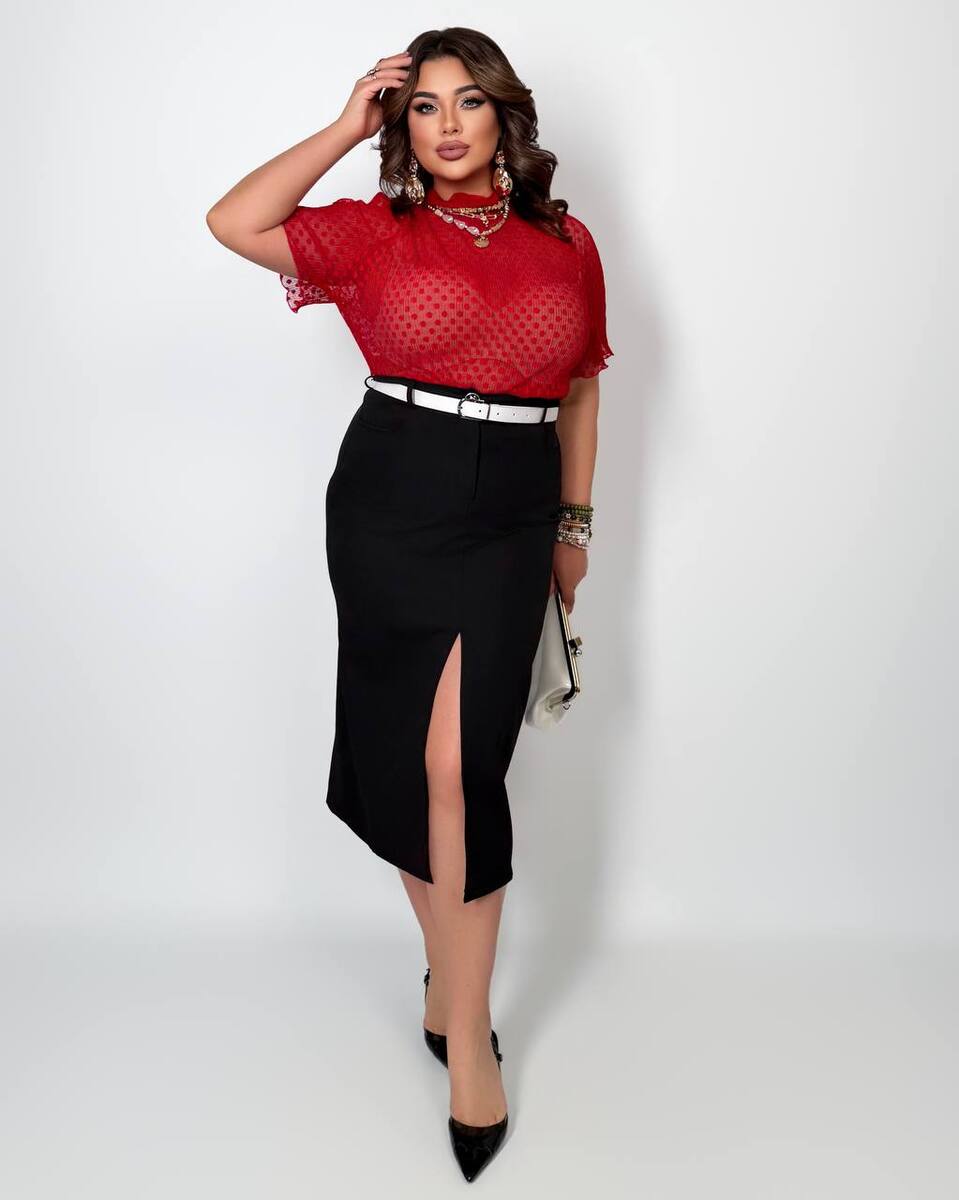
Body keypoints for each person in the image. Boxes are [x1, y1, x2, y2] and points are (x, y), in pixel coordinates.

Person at [206, 26, 612, 1183]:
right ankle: (459, 1002)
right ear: (403, 123)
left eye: (465, 101)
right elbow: (232, 221)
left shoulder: (564, 240)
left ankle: (460, 1014)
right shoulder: (370, 230)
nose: (444, 124)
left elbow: (583, 385)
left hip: (512, 508)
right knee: (411, 760)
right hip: (392, 495)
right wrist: (345, 126)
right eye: (421, 105)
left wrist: (571, 530)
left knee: (460, 766)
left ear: (501, 114)